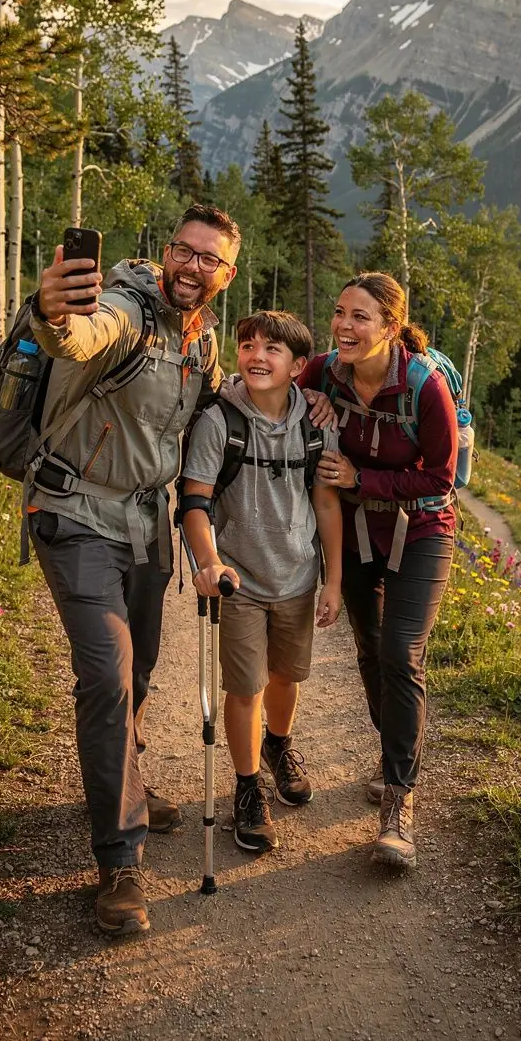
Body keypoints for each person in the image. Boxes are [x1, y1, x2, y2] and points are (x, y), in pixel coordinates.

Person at [28, 208, 334, 936]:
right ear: (167, 251)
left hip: (143, 527)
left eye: (210, 260)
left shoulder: (201, 346)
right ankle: (120, 861)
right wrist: (54, 312)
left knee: (138, 674)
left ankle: (123, 780)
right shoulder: (126, 309)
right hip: (74, 517)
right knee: (106, 676)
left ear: (227, 276)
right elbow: (79, 333)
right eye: (184, 251)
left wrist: (308, 396)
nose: (192, 266)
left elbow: (238, 397)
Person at [298, 273, 457, 871]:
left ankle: (398, 801)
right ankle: (396, 754)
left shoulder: (425, 387)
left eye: (360, 317)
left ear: (390, 326)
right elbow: (265, 386)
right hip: (360, 532)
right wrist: (300, 398)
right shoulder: (323, 372)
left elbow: (440, 478)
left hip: (422, 530)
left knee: (401, 651)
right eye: (339, 313)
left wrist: (363, 481)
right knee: (369, 652)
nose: (344, 325)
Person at [180, 311, 343, 854]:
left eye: (273, 349)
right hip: (239, 579)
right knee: (245, 686)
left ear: (298, 366)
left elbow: (324, 500)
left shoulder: (317, 423)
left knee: (285, 677)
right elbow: (195, 502)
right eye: (247, 345)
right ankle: (248, 786)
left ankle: (278, 744)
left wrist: (333, 579)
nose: (256, 355)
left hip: (297, 575)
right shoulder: (217, 422)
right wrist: (209, 563)